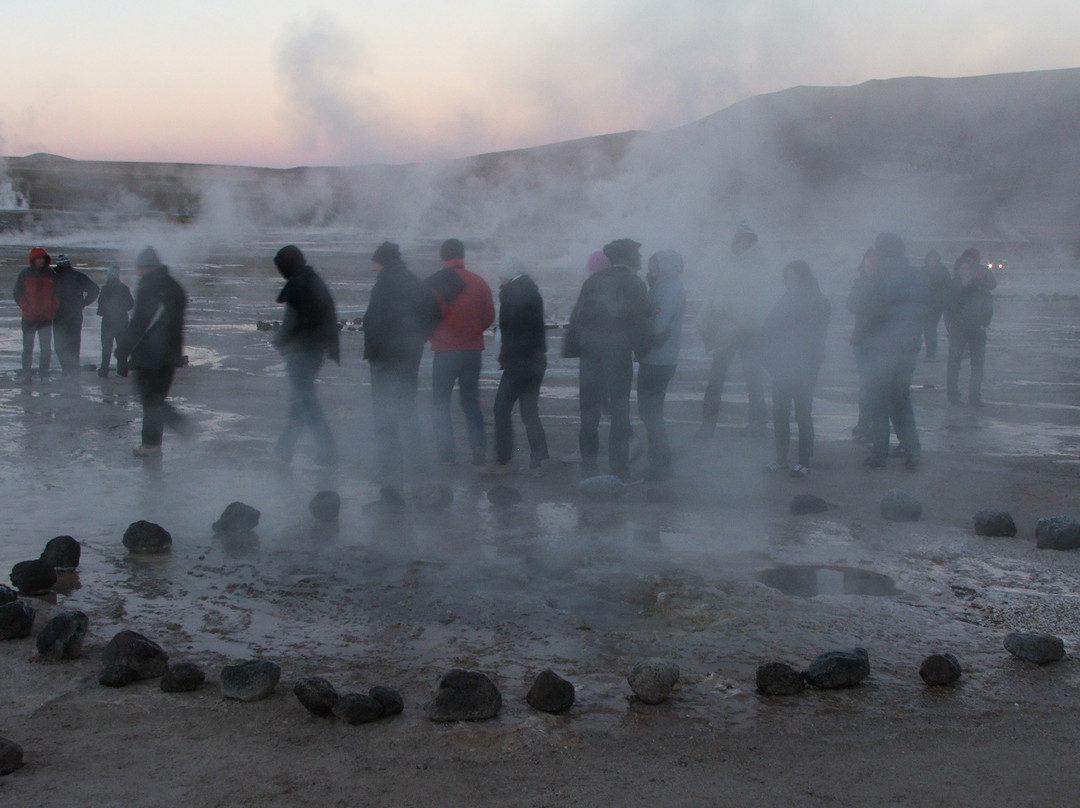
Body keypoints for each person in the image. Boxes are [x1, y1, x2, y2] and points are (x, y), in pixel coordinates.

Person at [563, 238, 651, 481]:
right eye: (638, 256)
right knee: (620, 414)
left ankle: (588, 470)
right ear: (630, 258)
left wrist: (574, 349)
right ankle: (619, 471)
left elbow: (577, 317)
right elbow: (640, 323)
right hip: (617, 355)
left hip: (590, 355)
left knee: (589, 415)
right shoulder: (634, 284)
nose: (641, 260)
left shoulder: (593, 281)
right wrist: (639, 350)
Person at [363, 241, 440, 489]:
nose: (373, 268)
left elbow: (373, 322)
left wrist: (373, 352)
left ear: (382, 262)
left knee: (385, 414)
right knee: (407, 409)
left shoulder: (384, 285)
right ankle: (417, 464)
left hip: (385, 359)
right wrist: (418, 339)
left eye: (375, 263)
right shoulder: (417, 283)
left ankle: (391, 468)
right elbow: (435, 315)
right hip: (409, 357)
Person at [849, 233, 929, 469]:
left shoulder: (878, 277)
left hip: (880, 348)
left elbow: (857, 305)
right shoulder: (918, 276)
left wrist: (867, 278)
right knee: (901, 399)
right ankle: (912, 448)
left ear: (881, 251)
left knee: (878, 401)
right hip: (908, 347)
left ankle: (879, 453)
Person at [698, 220, 773, 437]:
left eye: (748, 240)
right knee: (716, 378)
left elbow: (762, 299)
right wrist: (705, 318)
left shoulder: (760, 265)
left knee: (752, 377)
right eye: (741, 239)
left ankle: (758, 425)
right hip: (726, 327)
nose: (744, 244)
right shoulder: (727, 263)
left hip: (749, 329)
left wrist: (750, 322)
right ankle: (707, 426)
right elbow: (714, 292)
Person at [427, 238, 495, 466]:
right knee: (470, 401)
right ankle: (478, 447)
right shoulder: (479, 282)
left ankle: (446, 454)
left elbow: (425, 316)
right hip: (472, 351)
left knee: (440, 403)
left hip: (445, 351)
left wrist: (435, 335)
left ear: (442, 256)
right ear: (462, 255)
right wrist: (473, 331)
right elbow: (489, 317)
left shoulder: (435, 283)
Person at [271, 245, 340, 468]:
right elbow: (329, 314)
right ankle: (283, 451)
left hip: (301, 353)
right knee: (299, 405)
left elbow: (290, 322)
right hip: (316, 351)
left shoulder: (298, 285)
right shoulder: (313, 280)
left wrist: (279, 341)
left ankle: (328, 453)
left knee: (307, 405)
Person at [116, 247, 188, 459]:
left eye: (139, 268)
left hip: (150, 353)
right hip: (170, 354)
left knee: (150, 399)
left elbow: (140, 322)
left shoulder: (149, 286)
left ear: (145, 266)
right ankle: (154, 443)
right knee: (155, 398)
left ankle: (160, 437)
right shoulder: (175, 287)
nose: (138, 272)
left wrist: (122, 351)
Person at [760, 260, 831, 477]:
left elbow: (815, 335)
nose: (788, 281)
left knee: (802, 413)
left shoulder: (817, 300)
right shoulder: (787, 298)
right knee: (780, 412)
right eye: (786, 277)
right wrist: (769, 354)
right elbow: (770, 326)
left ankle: (804, 460)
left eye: (792, 277)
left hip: (805, 365)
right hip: (783, 363)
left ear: (802, 277)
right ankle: (781, 457)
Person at [488, 268, 549, 474]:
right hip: (537, 359)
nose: (500, 281)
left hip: (519, 362)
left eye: (501, 277)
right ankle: (537, 459)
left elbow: (508, 330)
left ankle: (505, 458)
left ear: (509, 275)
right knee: (529, 411)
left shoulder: (510, 294)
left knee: (501, 408)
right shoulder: (533, 291)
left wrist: (504, 355)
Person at [636, 249, 686, 481]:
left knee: (650, 412)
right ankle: (659, 459)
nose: (650, 270)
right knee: (649, 411)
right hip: (657, 358)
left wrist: (640, 321)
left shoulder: (670, 289)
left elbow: (658, 324)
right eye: (650, 266)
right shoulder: (662, 286)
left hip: (659, 359)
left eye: (655, 267)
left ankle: (660, 462)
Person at [944, 247, 997, 407]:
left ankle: (974, 396)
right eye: (963, 269)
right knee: (954, 362)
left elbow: (987, 302)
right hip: (958, 328)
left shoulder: (979, 285)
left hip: (977, 328)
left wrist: (984, 323)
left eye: (968, 269)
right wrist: (950, 326)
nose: (966, 272)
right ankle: (953, 395)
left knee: (978, 364)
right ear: (958, 270)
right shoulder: (953, 285)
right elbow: (949, 306)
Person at [13, 247, 58, 381]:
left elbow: (57, 293)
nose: (40, 261)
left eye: (42, 258)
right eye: (38, 258)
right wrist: (25, 306)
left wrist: (53, 307)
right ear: (33, 260)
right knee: (28, 348)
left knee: (46, 348)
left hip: (46, 317)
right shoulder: (25, 274)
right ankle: (26, 374)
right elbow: (17, 292)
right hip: (29, 317)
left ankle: (44, 374)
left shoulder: (51, 274)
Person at [52, 254, 100, 376]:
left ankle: (66, 369)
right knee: (74, 344)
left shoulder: (54, 278)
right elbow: (94, 289)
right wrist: (84, 303)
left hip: (59, 316)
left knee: (60, 345)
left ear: (58, 265)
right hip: (75, 315)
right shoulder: (78, 276)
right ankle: (72, 369)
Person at [96, 264, 134, 378]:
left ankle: (104, 370)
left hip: (107, 321)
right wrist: (122, 310)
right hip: (122, 320)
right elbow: (131, 303)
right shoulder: (124, 288)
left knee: (106, 346)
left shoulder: (105, 289)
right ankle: (122, 370)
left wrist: (105, 312)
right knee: (121, 345)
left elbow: (100, 303)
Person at [922, 249, 951, 360]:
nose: (932, 261)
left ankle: (931, 353)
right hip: (926, 303)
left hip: (938, 303)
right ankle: (930, 352)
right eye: (930, 259)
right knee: (928, 328)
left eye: (934, 259)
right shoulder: (923, 270)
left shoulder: (943, 271)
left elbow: (947, 286)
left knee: (931, 327)